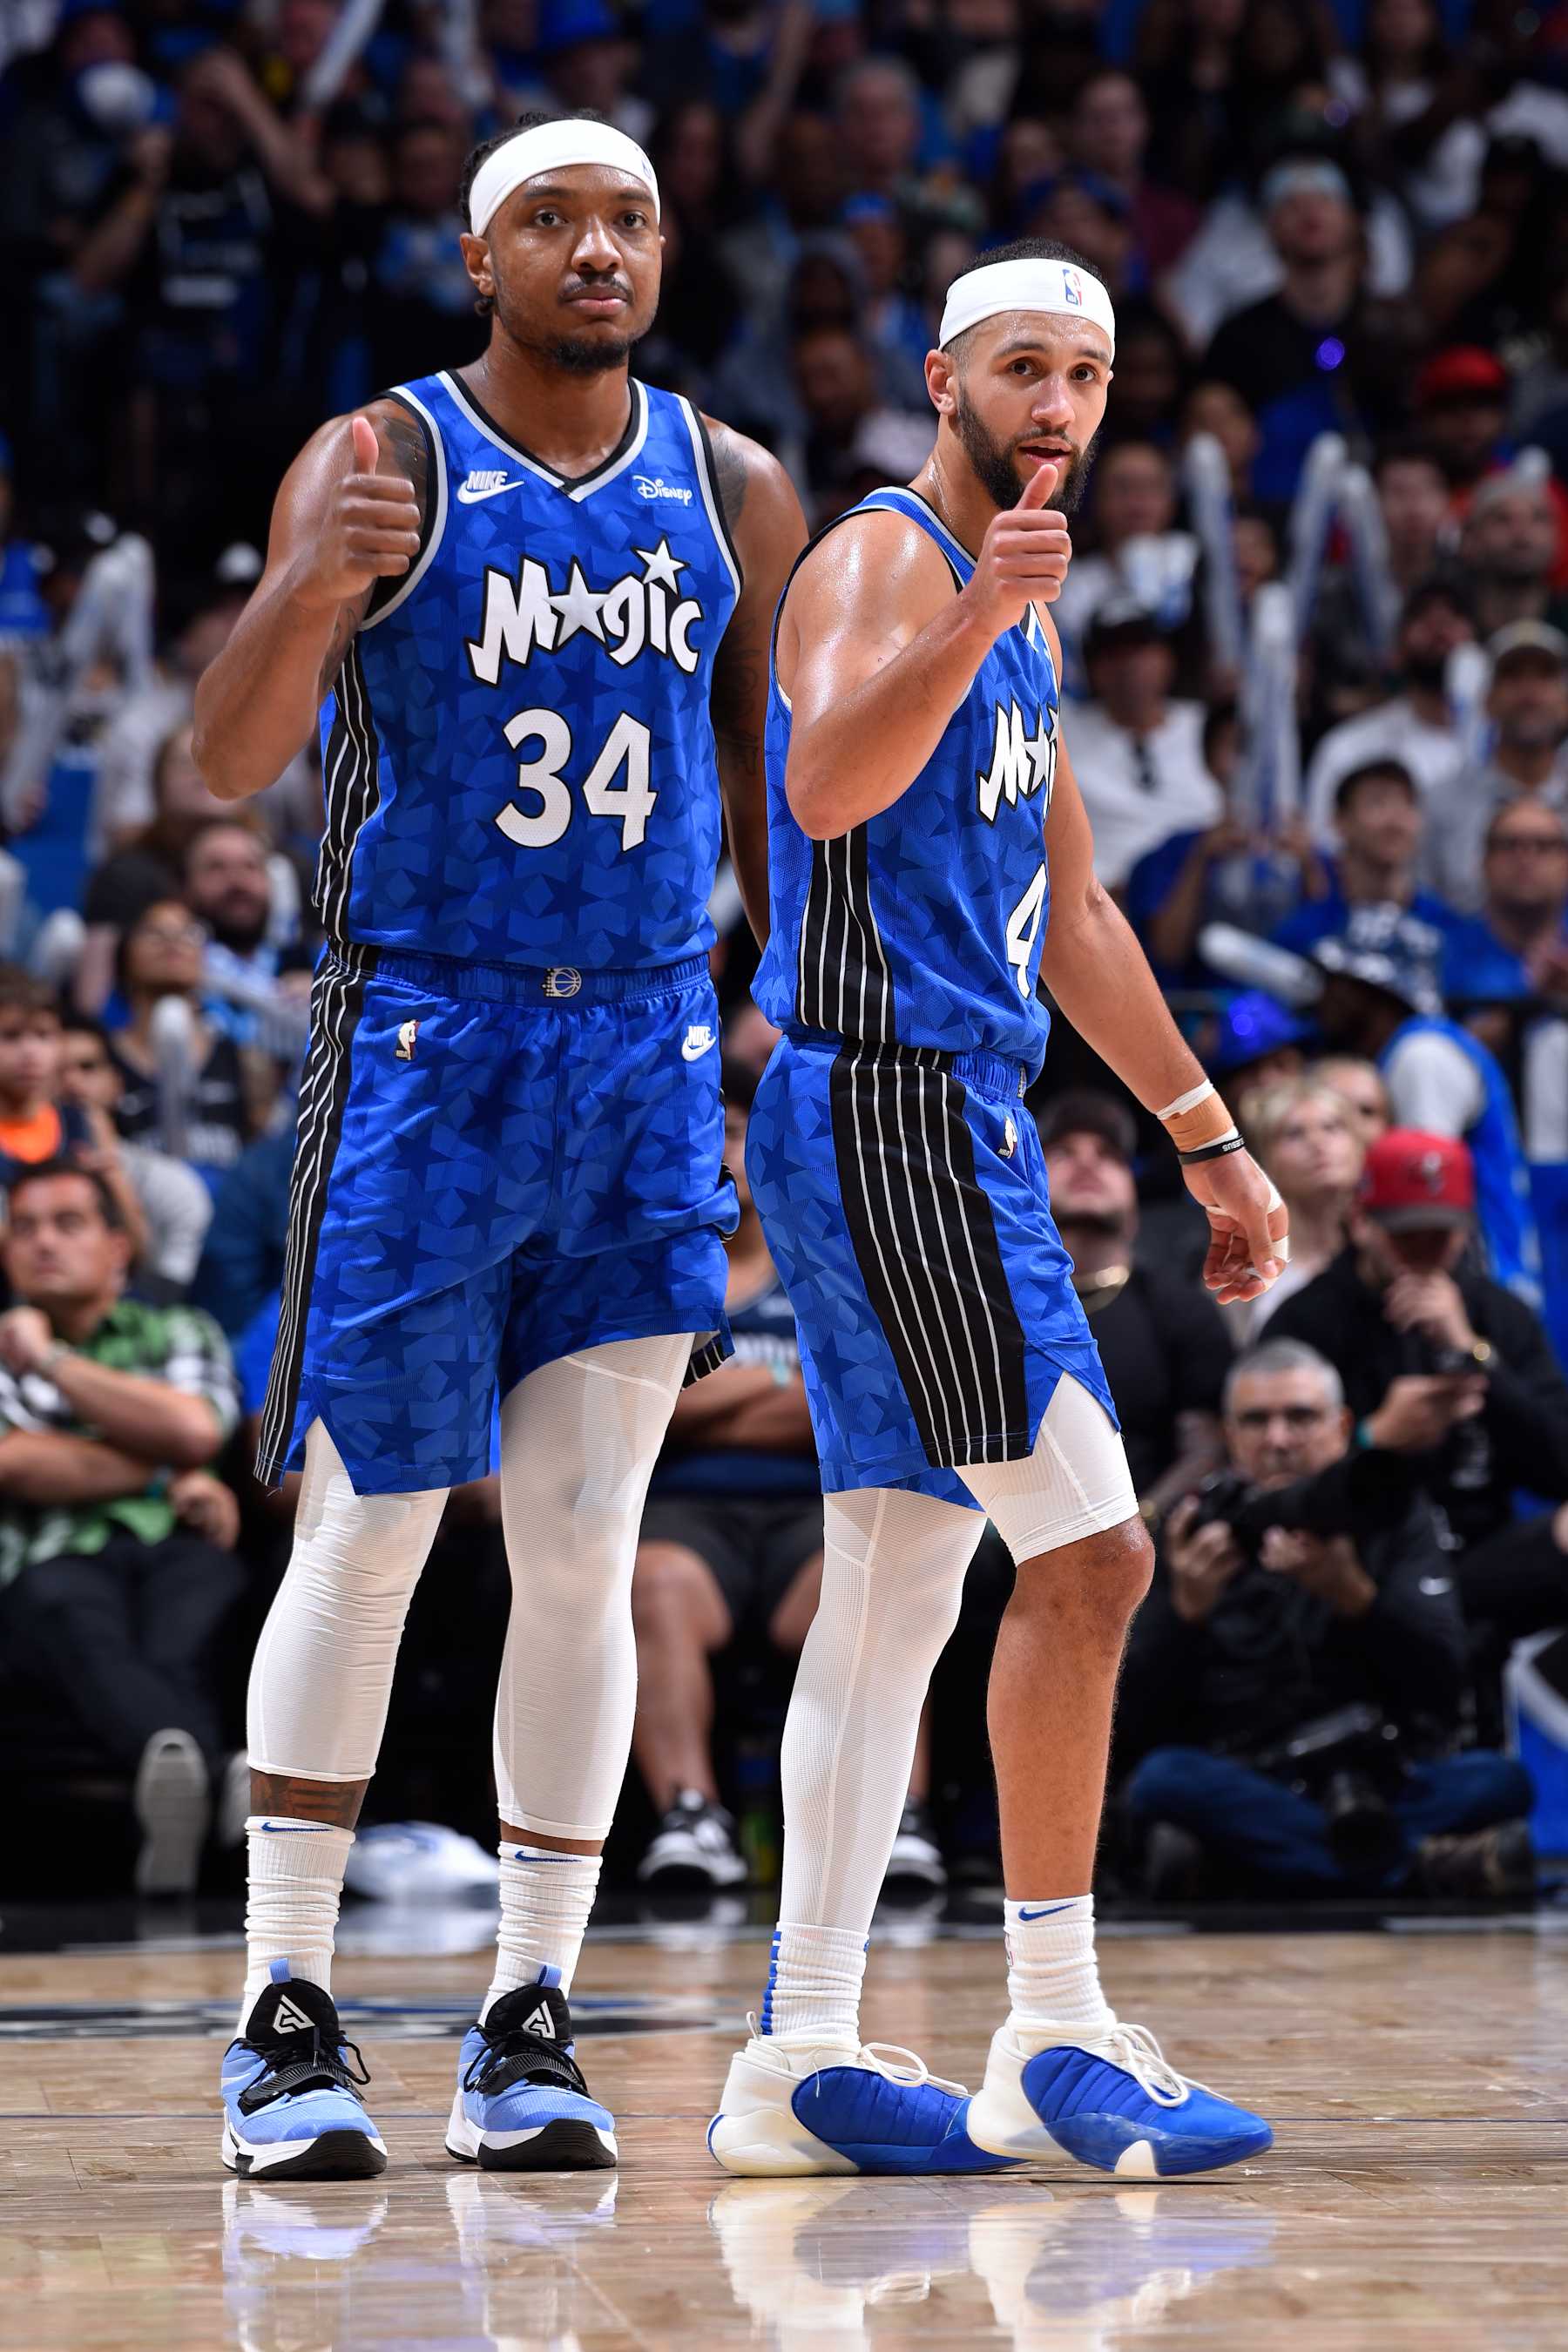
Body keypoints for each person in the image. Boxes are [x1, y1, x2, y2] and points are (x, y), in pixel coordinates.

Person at [190, 109, 806, 2179]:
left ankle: (528, 2007)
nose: (598, 250)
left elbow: (779, 785)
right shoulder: (383, 455)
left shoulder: (731, 484)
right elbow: (225, 759)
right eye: (553, 220)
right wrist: (307, 583)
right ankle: (285, 2006)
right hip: (425, 1037)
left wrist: (787, 1008)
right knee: (367, 1530)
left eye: (627, 218)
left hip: (641, 1051)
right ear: (479, 255)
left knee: (580, 1544)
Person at [710, 238, 1287, 2181]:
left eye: (1090, 375)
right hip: (889, 1108)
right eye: (1023, 368)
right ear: (943, 380)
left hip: (945, 1105)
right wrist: (974, 617)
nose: (1059, 406)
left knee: (896, 1588)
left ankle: (795, 2057)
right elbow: (824, 786)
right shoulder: (886, 559)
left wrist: (1207, 1136)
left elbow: (1086, 919)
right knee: (1098, 1559)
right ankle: (1050, 2022)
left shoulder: (1017, 608)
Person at [631, 1066, 950, 1895]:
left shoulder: (828, 1264)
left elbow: (862, 1393)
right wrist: (790, 1382)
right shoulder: (657, 1272)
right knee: (650, 1585)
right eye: (708, 1137)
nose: (724, 1154)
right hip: (682, 1507)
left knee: (880, 1579)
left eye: (737, 1133)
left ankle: (899, 1819)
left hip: (819, 1504)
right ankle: (691, 1817)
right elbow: (635, 1406)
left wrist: (705, 1393)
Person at [1121, 1342, 1535, 1900]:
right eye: (1256, 1421)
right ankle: (1415, 1868)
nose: (1279, 1440)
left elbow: (1444, 1678)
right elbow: (1123, 1717)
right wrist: (1183, 1615)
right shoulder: (1190, 1529)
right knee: (1162, 1781)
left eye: (1301, 1417)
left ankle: (1248, 1867)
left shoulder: (1391, 1513)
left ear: (1341, 1427)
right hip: (1249, 1775)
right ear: (1230, 1435)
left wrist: (1355, 1598)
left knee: (1501, 1780)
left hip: (1379, 1776)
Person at [0, 1160, 243, 1896]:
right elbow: (16, 1465)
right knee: (72, 1616)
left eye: (67, 1223)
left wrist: (48, 1361)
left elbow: (194, 1427)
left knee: (195, 1625)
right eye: (24, 1228)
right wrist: (164, 1467)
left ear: (117, 1247)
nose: (43, 1242)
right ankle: (213, 1781)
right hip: (52, 1550)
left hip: (179, 1548)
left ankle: (177, 1796)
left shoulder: (180, 1327)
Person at [1268, 1130, 1568, 1702]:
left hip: (1478, 1559)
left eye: (1442, 1238)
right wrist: (1373, 1436)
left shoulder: (1492, 1314)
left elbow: (1559, 1466)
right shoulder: (1309, 1320)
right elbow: (1273, 1478)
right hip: (1360, 1556)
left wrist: (1477, 1358)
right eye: (1407, 1237)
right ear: (1362, 1223)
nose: (1426, 1256)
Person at [1312, 936, 1541, 1301]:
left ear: (1375, 990)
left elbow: (1426, 1188)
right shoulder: (1412, 1049)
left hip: (1478, 1281)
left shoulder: (1422, 1055)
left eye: (1340, 981)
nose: (1324, 995)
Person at [1035, 1091, 1232, 1514]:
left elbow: (1208, 1450)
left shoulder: (1179, 1312)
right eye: (1063, 1153)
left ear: (1134, 1197)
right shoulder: (988, 1307)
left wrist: (1138, 1528)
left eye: (1108, 1155)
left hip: (1143, 1551)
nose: (1087, 1163)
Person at [1059, 600, 1221, 891]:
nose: (1128, 665)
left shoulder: (1205, 727)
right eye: (1113, 654)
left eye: (1140, 648)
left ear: (1166, 658)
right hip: (1101, 898)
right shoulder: (1062, 729)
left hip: (1198, 890)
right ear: (1092, 670)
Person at [105, 898, 260, 1188]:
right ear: (124, 957)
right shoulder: (101, 1059)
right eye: (154, 933)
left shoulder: (242, 1056)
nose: (173, 942)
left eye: (189, 932)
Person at [57, 1014, 213, 1299]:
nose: (72, 1082)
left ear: (117, 1084)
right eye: (57, 1070)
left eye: (87, 1067)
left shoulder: (174, 1185)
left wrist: (113, 1178)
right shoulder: (13, 1172)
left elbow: (161, 1298)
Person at [1302, 580, 1473, 840]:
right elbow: (1325, 845)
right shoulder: (1349, 748)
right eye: (1422, 618)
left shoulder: (1501, 745)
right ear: (1395, 649)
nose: (1440, 629)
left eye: (1453, 617)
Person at [1425, 623, 1568, 910]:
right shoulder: (1441, 805)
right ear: (1487, 700)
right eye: (1513, 677)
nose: (1530, 694)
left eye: (1545, 677)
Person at [1276, 759, 1463, 963]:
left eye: (1407, 803)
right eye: (1378, 803)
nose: (1396, 820)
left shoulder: (1447, 931)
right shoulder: (1306, 935)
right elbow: (1256, 994)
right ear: (1339, 821)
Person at [1237, 1078, 1365, 1334]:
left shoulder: (1386, 1253)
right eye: (1294, 1133)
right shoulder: (1244, 1270)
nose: (1317, 1143)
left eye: (1332, 1127)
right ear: (1265, 1160)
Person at [1443, 801, 1568, 1007]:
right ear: (1484, 862)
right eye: (1510, 844)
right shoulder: (1444, 954)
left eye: (1543, 846)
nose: (1526, 858)